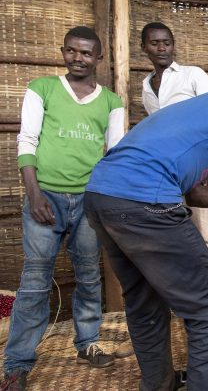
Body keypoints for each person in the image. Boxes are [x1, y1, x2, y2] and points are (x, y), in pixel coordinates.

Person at [83, 60, 208, 391]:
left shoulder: (187, 111)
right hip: (145, 201)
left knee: (144, 300)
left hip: (100, 197)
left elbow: (194, 195)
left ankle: (160, 384)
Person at [1, 26, 124, 390]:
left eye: (87, 53)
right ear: (63, 52)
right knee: (35, 281)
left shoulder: (111, 102)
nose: (78, 58)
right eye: (72, 51)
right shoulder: (42, 88)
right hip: (46, 199)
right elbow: (27, 140)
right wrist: (35, 194)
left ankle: (87, 344)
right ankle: (17, 364)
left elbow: (114, 155)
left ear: (99, 58)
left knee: (88, 275)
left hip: (88, 202)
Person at [113, 22, 208, 360]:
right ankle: (184, 303)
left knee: (205, 233)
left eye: (167, 42)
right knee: (173, 233)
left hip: (196, 165)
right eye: (155, 44)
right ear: (144, 48)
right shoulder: (146, 87)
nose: (162, 48)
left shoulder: (193, 75)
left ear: (174, 45)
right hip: (164, 175)